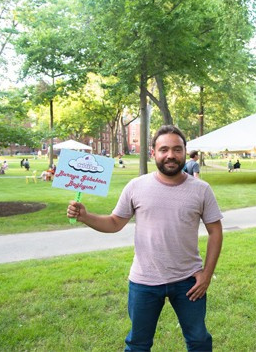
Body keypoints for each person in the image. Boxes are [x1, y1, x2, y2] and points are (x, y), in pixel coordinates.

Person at [67, 125, 223, 351]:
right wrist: (85, 216)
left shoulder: (201, 190)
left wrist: (207, 275)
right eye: (164, 149)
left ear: (184, 152)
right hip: (144, 281)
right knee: (138, 344)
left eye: (177, 149)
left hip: (189, 280)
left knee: (198, 340)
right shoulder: (136, 186)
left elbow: (215, 231)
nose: (171, 155)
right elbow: (114, 223)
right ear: (153, 153)